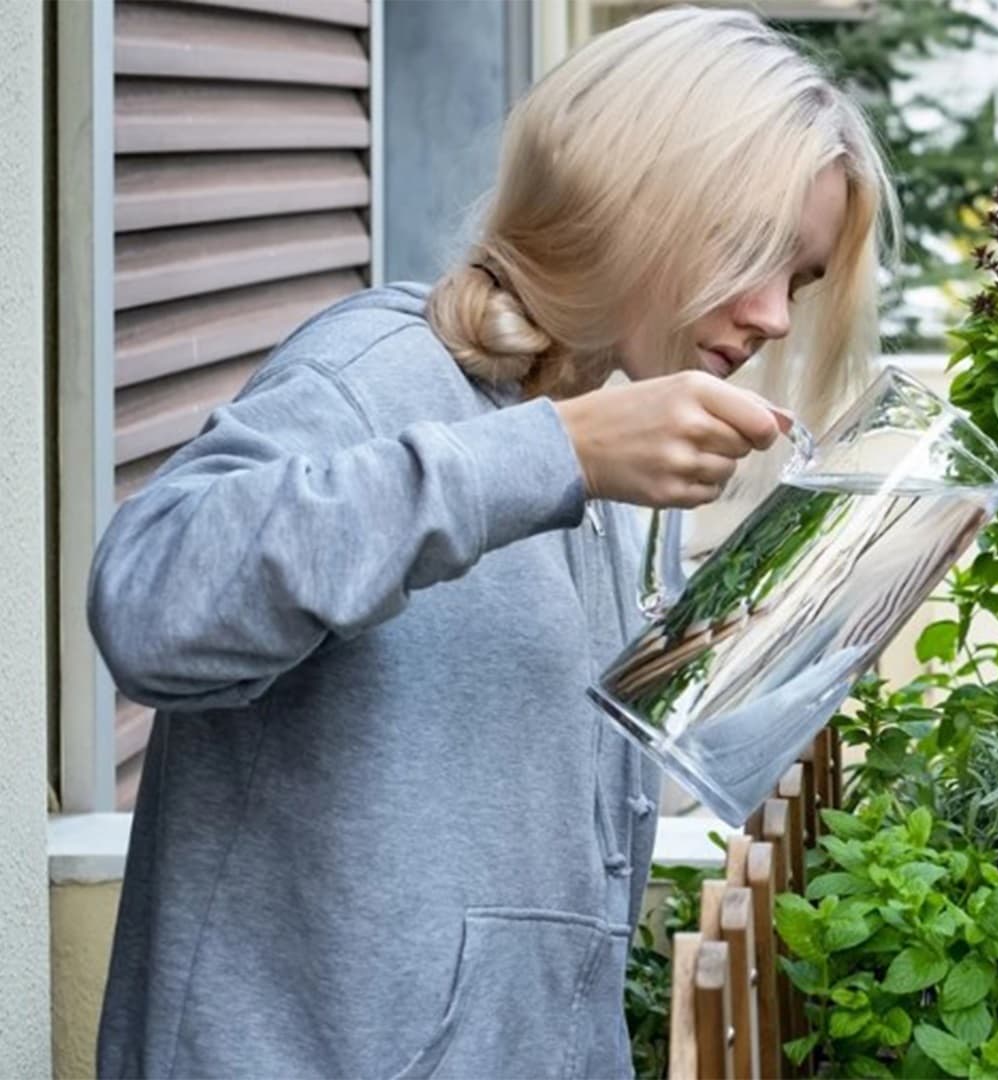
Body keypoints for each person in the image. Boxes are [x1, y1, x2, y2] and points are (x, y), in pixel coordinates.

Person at [87, 8, 894, 1076]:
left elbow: (566, 892)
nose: (776, 317)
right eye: (755, 254)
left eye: (797, 281)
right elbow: (149, 607)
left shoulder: (605, 448)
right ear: (634, 196)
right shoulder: (381, 370)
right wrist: (550, 454)